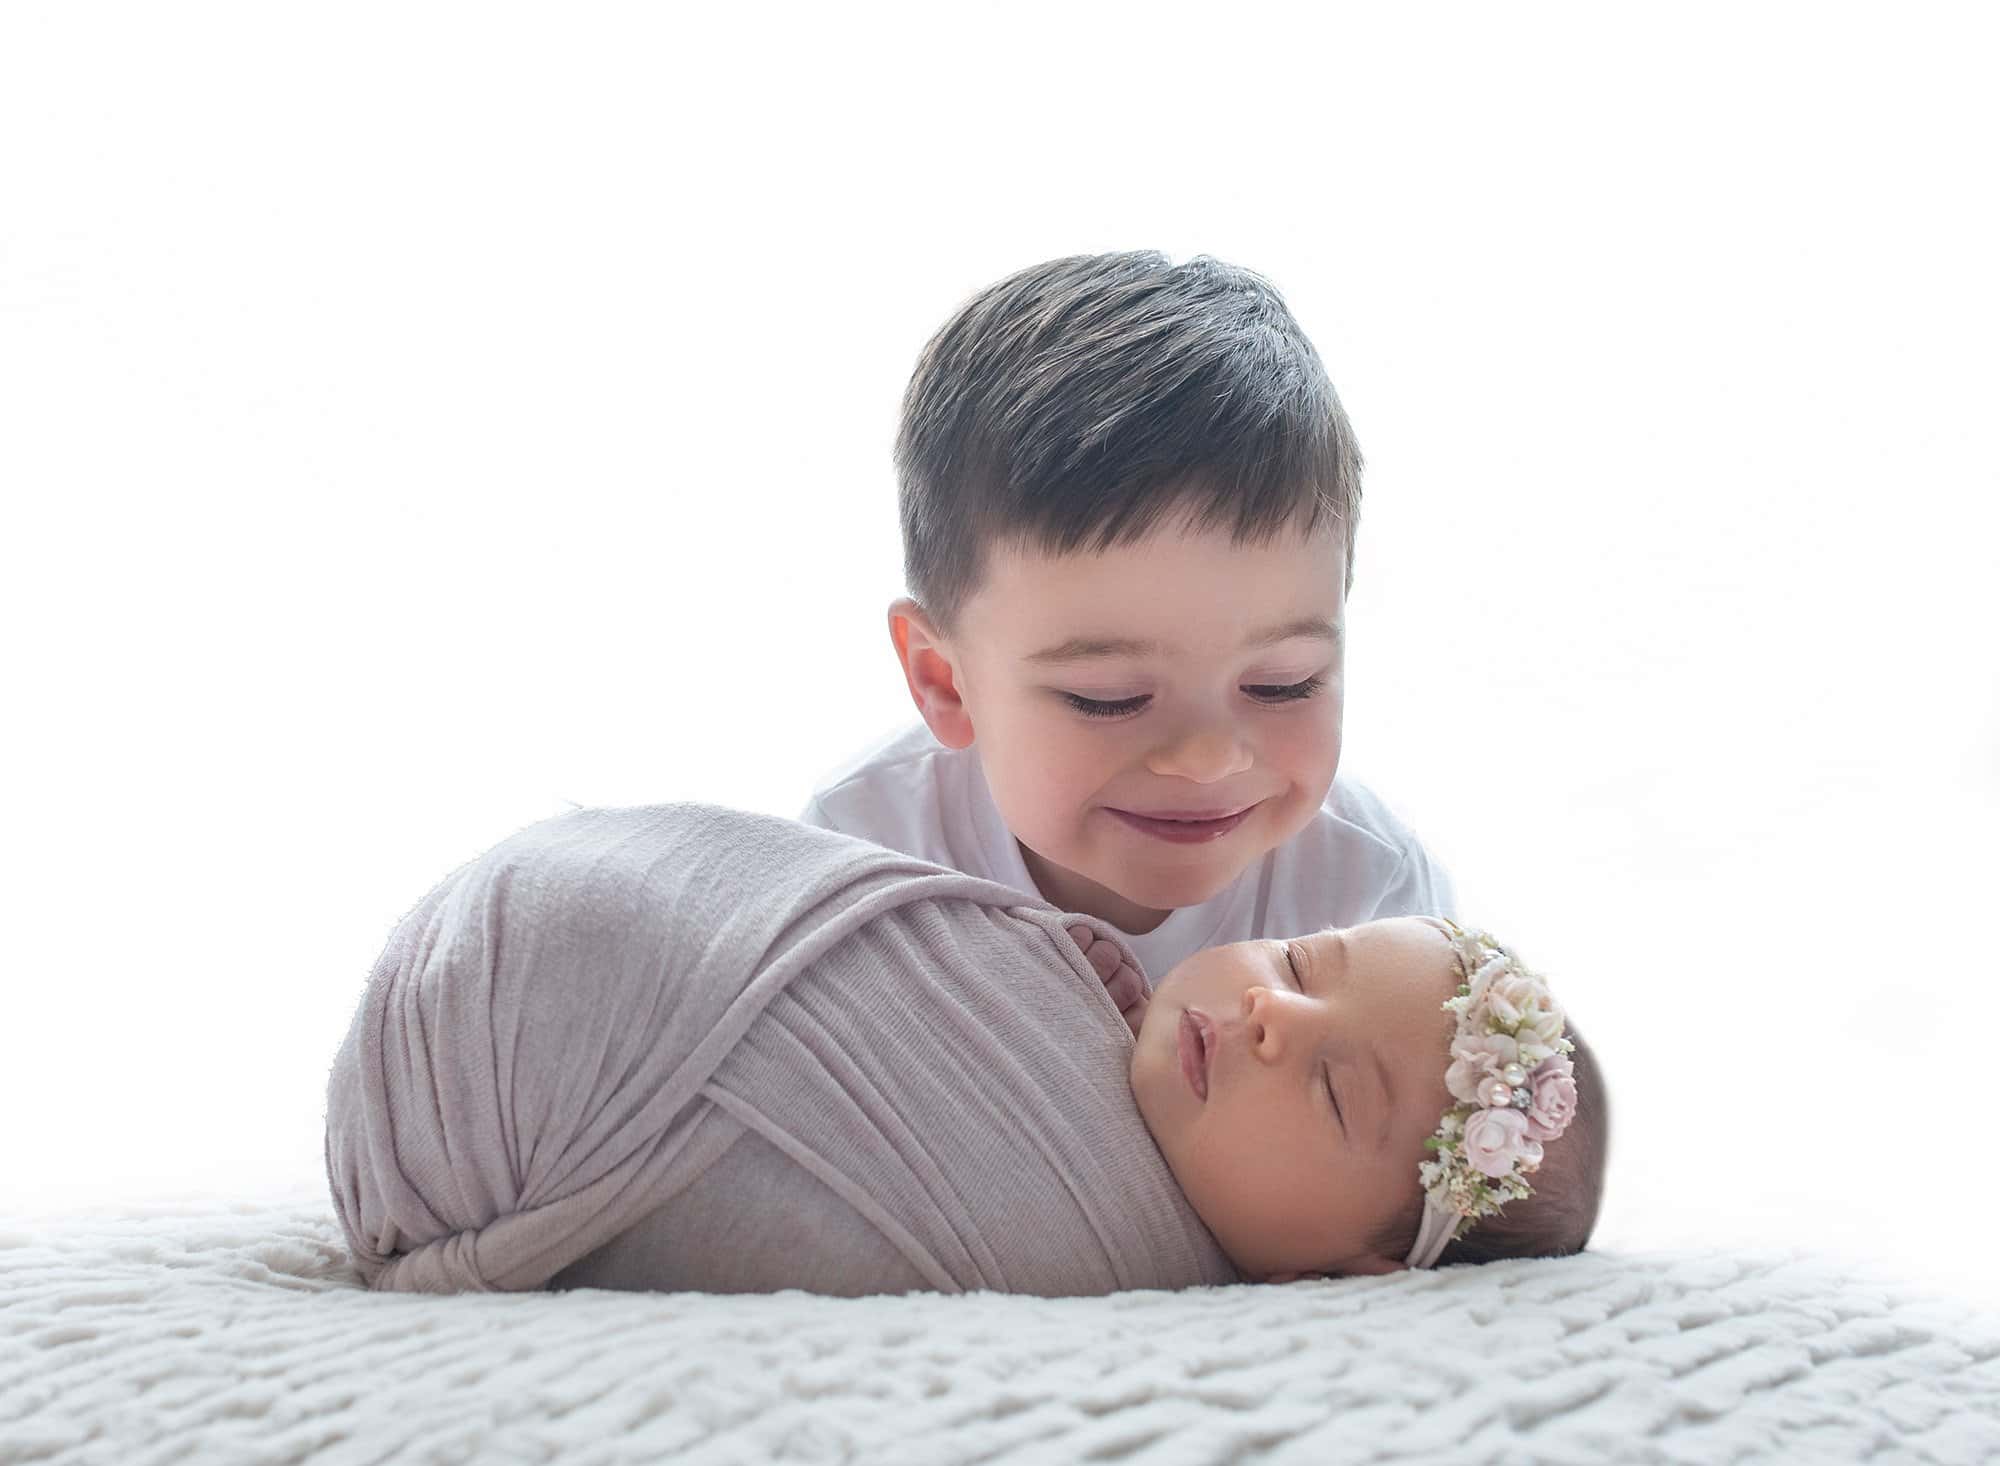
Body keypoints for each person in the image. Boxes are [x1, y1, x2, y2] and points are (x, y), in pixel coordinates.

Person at [324, 806, 1603, 1296]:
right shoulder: (1092, 987)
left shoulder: (1115, 1257)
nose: (1271, 1011)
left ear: (1363, 1266)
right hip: (568, 937)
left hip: (530, 1068)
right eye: (1300, 961)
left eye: (1330, 1086)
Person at [803, 250, 1454, 981]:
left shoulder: (1375, 899)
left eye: (1283, 684)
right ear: (945, 681)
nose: (1207, 759)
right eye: (1109, 698)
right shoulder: (857, 861)